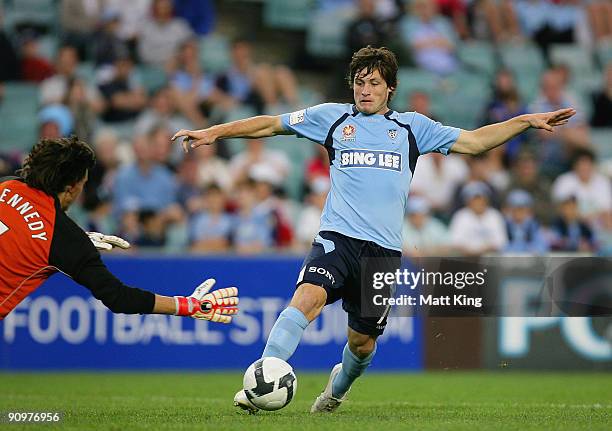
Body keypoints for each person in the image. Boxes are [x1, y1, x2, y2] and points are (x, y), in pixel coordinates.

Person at [172, 46, 575, 414]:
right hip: (337, 239)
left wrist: (524, 121)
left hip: (382, 253)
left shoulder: (413, 127)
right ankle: (264, 381)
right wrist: (214, 132)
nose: (365, 90)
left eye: (374, 83)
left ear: (390, 89)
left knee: (361, 344)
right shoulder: (332, 117)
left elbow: (474, 142)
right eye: (360, 82)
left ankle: (336, 389)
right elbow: (270, 125)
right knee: (305, 300)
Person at [0, 137, 238, 321]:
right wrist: (188, 305)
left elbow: (19, 229)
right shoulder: (62, 239)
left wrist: (78, 237)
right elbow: (119, 298)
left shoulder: (6, 186)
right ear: (72, 187)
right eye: (83, 184)